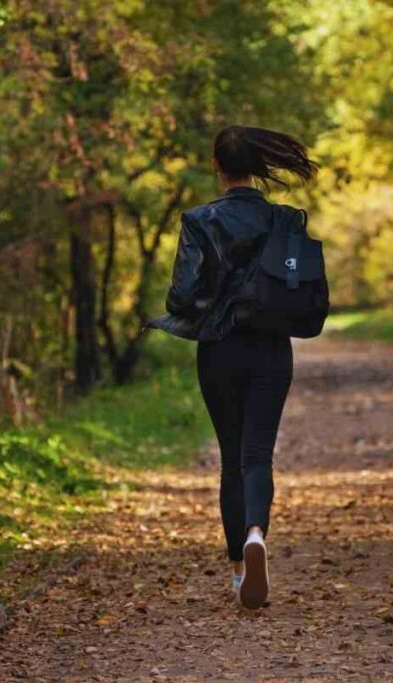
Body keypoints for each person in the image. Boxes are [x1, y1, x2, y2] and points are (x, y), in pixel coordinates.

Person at [147, 125, 318, 609]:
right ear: (257, 165)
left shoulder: (200, 220)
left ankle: (241, 573)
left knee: (230, 457)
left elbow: (181, 295)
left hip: (219, 349)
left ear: (218, 167)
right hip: (271, 349)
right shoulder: (284, 219)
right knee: (258, 454)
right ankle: (257, 533)